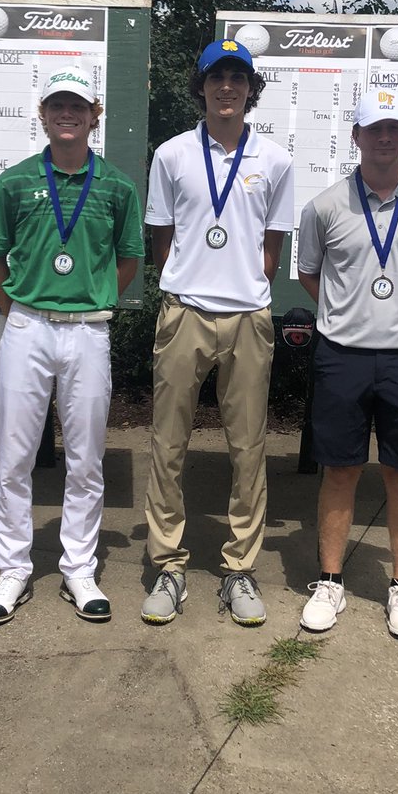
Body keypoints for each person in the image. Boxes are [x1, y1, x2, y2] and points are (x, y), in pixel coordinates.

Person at [0, 64, 144, 627]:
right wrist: (22, 311)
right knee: (15, 457)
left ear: (94, 116)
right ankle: (13, 570)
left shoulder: (117, 185)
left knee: (86, 458)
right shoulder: (17, 180)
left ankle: (79, 568)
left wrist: (90, 298)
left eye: (77, 105)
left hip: (88, 331)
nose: (67, 114)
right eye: (56, 106)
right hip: (26, 327)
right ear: (43, 116)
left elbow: (129, 259)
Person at [141, 38, 295, 627]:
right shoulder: (173, 154)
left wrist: (246, 284)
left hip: (248, 316)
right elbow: (162, 238)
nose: (226, 87)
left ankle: (239, 570)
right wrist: (186, 280)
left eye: (238, 77)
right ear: (200, 85)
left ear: (251, 89)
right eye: (216, 76)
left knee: (248, 447)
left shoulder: (275, 160)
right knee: (167, 443)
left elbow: (271, 246)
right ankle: (169, 567)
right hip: (184, 312)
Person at [296, 87, 398, 639]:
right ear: (356, 137)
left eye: (394, 128)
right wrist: (353, 317)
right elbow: (310, 275)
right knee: (339, 469)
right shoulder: (323, 207)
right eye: (374, 128)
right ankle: (330, 582)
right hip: (341, 356)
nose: (384, 137)